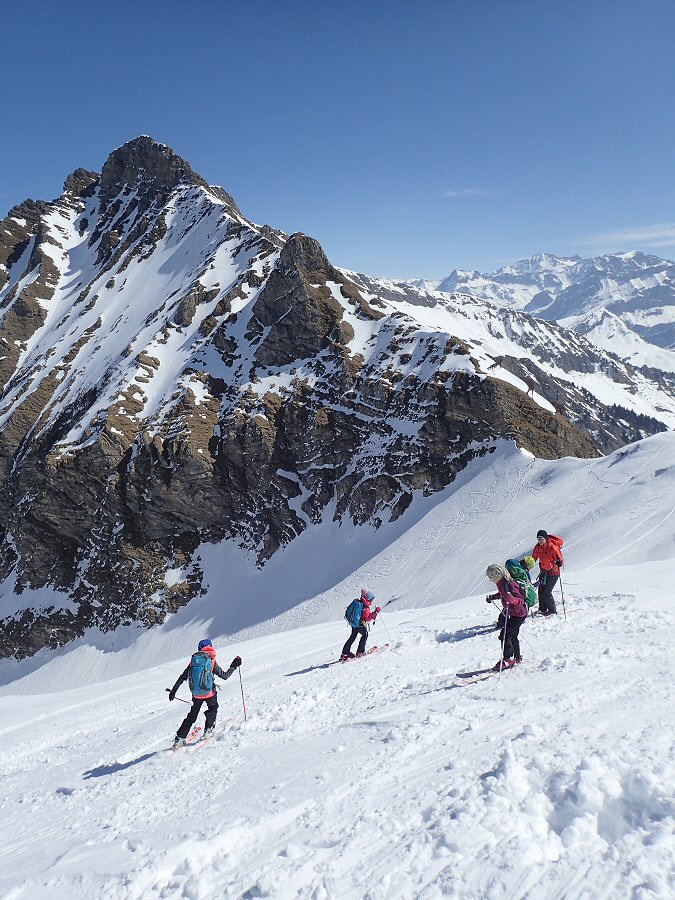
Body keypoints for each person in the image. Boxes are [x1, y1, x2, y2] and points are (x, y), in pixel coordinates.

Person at [169, 639, 241, 747]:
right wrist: (234, 666)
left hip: (196, 694)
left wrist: (173, 691)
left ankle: (179, 739)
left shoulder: (193, 661)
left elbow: (183, 677)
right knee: (213, 708)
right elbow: (225, 676)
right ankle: (208, 730)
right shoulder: (211, 661)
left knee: (192, 716)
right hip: (210, 693)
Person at [485, 563, 528, 670]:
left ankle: (508, 659)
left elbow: (520, 599)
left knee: (504, 635)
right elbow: (502, 594)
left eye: (492, 577)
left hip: (519, 614)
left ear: (497, 575)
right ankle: (517, 657)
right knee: (512, 635)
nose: (491, 580)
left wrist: (513, 600)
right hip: (514, 614)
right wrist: (492, 597)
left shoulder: (510, 584)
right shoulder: (502, 584)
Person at [341, 588, 381, 660]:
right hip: (360, 624)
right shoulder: (365, 607)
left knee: (352, 637)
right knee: (365, 635)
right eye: (371, 600)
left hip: (354, 623)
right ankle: (360, 652)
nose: (371, 601)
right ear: (368, 599)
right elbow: (368, 618)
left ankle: (345, 654)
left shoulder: (359, 603)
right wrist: (375, 612)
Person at [532, 530, 564, 616]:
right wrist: (527, 564)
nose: (539, 540)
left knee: (547, 592)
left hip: (553, 572)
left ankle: (552, 611)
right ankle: (542, 609)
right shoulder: (538, 547)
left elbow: (560, 557)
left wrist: (559, 562)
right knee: (541, 591)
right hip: (543, 571)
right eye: (538, 538)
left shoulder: (552, 547)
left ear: (545, 538)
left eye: (541, 538)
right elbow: (533, 558)